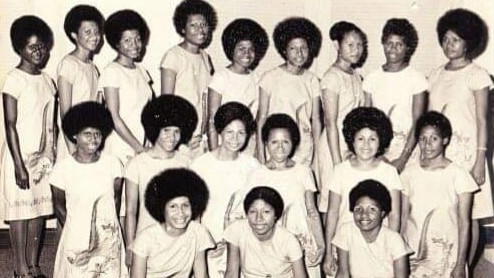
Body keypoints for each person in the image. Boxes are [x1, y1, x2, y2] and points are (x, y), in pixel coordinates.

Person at [428, 8, 493, 268]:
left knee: (469, 214)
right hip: (439, 155)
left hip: (467, 156)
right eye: (445, 39)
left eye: (455, 39)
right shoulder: (434, 75)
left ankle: (463, 266)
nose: (449, 45)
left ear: (469, 42)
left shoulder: (477, 75)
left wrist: (479, 160)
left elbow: (482, 120)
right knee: (442, 212)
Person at [231, 114, 324, 277]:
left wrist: (321, 245)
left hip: (303, 244)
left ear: (293, 143)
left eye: (285, 142)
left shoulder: (304, 171)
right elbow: (246, 216)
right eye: (274, 142)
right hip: (271, 249)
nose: (280, 147)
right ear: (266, 143)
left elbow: (312, 212)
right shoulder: (256, 174)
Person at [1, 15, 55, 278]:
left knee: (39, 210)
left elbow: (49, 124)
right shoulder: (13, 79)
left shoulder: (47, 81)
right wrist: (19, 166)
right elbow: (10, 124)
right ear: (19, 47)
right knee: (21, 212)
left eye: (42, 46)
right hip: (18, 157)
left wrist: (50, 155)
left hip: (42, 157)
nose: (39, 52)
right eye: (33, 47)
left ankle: (34, 265)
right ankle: (20, 268)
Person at [322, 107, 402, 276]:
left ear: (381, 141)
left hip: (378, 247)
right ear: (352, 140)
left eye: (372, 139)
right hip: (345, 248)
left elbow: (394, 215)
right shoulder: (340, 171)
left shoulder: (389, 172)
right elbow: (332, 214)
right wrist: (329, 252)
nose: (366, 145)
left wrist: (389, 249)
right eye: (361, 138)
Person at [50, 102, 127, 277]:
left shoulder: (113, 164)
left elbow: (115, 200)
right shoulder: (62, 169)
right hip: (76, 233)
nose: (93, 139)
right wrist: (77, 232)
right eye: (87, 134)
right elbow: (60, 208)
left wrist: (106, 231)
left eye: (97, 134)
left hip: (107, 233)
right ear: (75, 135)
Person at [401, 111, 477, 277]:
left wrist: (460, 263)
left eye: (434, 138)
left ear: (445, 140)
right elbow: (403, 218)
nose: (427, 144)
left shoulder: (459, 175)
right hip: (415, 255)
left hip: (448, 256)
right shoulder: (408, 174)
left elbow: (464, 224)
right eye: (422, 138)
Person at [124, 95, 197, 267]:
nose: (172, 137)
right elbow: (130, 210)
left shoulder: (185, 162)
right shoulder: (138, 164)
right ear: (154, 129)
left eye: (176, 131)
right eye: (166, 131)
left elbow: (191, 207)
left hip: (178, 238)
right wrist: (129, 246)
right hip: (146, 240)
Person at [191, 102, 260, 278]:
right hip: (210, 249)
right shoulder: (200, 165)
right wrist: (204, 246)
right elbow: (193, 216)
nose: (235, 139)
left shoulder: (252, 166)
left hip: (243, 247)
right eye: (230, 132)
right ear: (220, 131)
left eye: (241, 133)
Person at [314, 21, 368, 212]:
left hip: (351, 145)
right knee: (332, 203)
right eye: (350, 45)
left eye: (360, 45)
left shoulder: (356, 76)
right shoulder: (332, 77)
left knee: (350, 202)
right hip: (332, 146)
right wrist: (337, 162)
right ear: (337, 45)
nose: (356, 50)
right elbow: (330, 123)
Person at [362, 18, 427, 172]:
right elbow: (366, 121)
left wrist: (403, 159)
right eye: (389, 43)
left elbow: (418, 121)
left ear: (408, 48)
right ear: (383, 43)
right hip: (377, 152)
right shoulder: (371, 78)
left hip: (407, 152)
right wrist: (376, 154)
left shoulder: (417, 79)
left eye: (399, 44)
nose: (393, 48)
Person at [256, 17, 322, 166]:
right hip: (276, 148)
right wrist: (261, 154)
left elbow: (316, 120)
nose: (299, 53)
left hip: (304, 150)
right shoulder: (270, 77)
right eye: (293, 48)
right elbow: (261, 118)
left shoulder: (312, 80)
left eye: (303, 48)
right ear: (284, 50)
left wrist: (317, 157)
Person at [130, 168, 214, 278]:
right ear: (161, 208)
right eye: (173, 206)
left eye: (185, 205)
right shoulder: (146, 238)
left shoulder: (198, 232)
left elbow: (202, 275)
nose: (181, 213)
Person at [160, 0, 218, 157]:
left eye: (204, 24)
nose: (200, 29)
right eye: (193, 25)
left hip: (201, 137)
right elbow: (166, 103)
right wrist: (181, 137)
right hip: (181, 140)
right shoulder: (173, 56)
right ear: (182, 28)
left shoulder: (206, 57)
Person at [99, 9, 153, 164]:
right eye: (127, 40)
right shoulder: (112, 71)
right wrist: (139, 149)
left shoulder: (142, 71)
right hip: (119, 147)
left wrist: (148, 142)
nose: (135, 45)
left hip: (142, 144)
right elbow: (113, 117)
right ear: (117, 43)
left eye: (137, 39)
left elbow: (148, 112)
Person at [207, 18, 268, 155]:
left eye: (251, 49)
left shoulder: (257, 79)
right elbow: (212, 120)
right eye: (241, 48)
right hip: (224, 144)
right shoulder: (221, 77)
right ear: (231, 50)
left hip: (248, 146)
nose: (247, 53)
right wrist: (214, 155)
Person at [56, 4, 105, 160]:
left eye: (97, 32)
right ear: (74, 35)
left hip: (90, 142)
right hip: (73, 143)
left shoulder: (93, 68)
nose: (94, 36)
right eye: (87, 32)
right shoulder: (68, 64)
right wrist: (73, 152)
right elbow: (65, 113)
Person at [225, 186, 307, 278]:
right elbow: (231, 273)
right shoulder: (237, 230)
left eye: (266, 212)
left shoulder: (288, 241)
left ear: (276, 215)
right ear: (247, 213)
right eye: (253, 211)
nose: (259, 218)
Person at [333, 180, 409, 278]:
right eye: (358, 209)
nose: (364, 215)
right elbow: (343, 273)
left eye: (372, 209)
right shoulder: (346, 231)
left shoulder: (394, 239)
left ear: (382, 213)